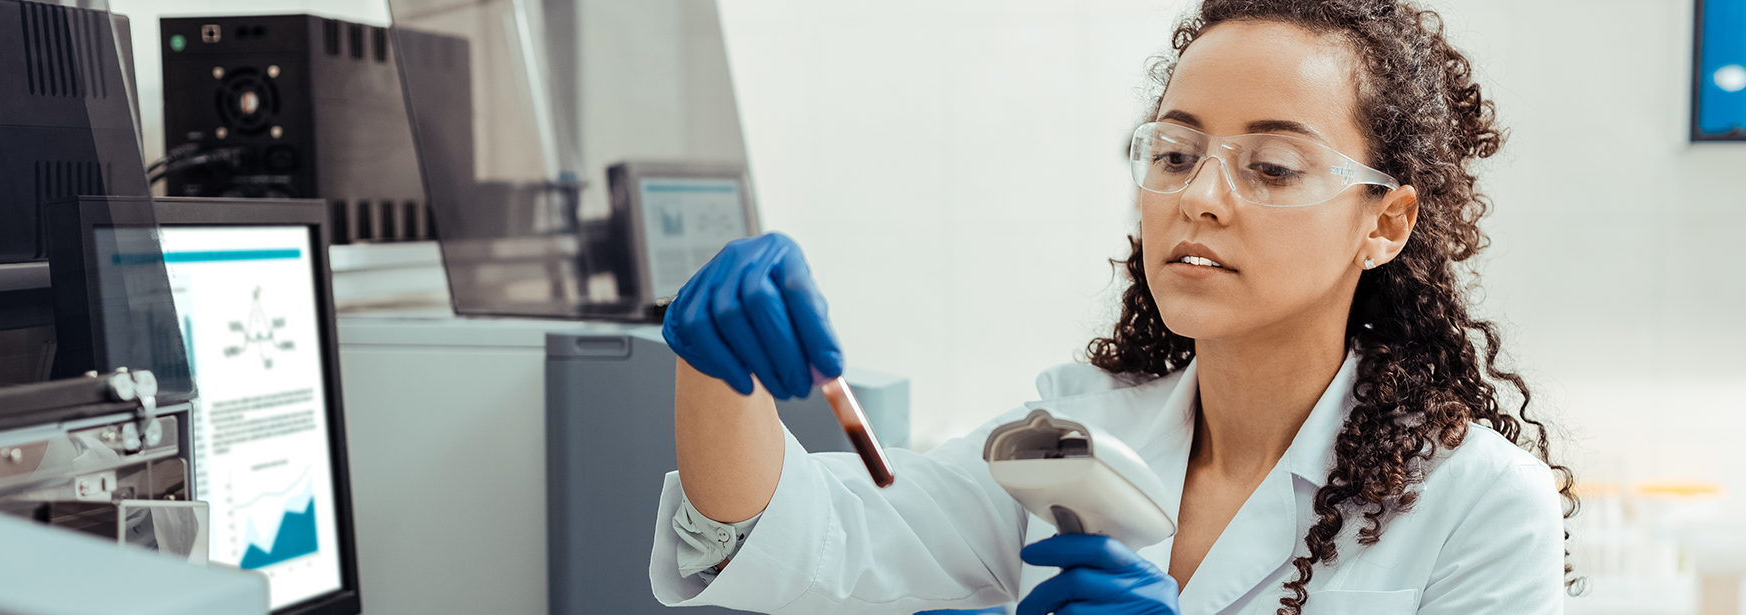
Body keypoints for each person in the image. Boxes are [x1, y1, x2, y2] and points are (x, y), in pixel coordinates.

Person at [649, 0, 1576, 613]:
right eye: (1174, 154)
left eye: (1273, 166)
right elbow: (814, 546)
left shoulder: (1478, 504)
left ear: (1387, 222)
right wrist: (717, 370)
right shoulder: (1066, 440)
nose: (1201, 197)